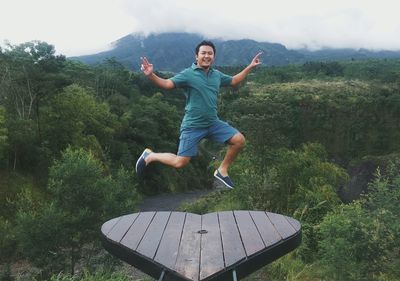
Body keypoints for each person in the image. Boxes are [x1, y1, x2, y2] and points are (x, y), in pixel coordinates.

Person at [136, 40, 262, 189]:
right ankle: (150, 156)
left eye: (210, 53)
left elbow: (234, 81)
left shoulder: (217, 75)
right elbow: (167, 84)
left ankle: (222, 170)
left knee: (239, 140)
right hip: (193, 126)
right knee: (180, 162)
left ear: (214, 57)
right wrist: (151, 75)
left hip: (212, 123)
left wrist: (249, 67)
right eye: (203, 53)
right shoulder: (188, 74)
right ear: (197, 56)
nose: (207, 56)